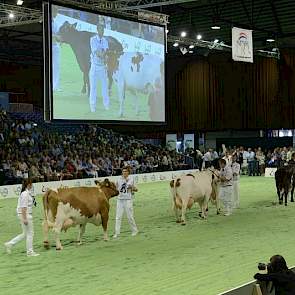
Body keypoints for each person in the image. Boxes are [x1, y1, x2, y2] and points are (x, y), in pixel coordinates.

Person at [4, 178, 40, 257]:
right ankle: (30, 252)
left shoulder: (26, 193)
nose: (32, 185)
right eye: (31, 184)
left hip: (24, 214)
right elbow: (23, 207)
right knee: (30, 233)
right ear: (29, 184)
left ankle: (10, 244)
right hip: (25, 214)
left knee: (25, 234)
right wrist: (24, 218)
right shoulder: (25, 194)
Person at [89, 18, 109, 112]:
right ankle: (92, 106)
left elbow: (105, 52)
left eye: (103, 29)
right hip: (94, 66)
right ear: (97, 29)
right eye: (101, 28)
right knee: (93, 87)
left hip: (102, 67)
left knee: (105, 86)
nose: (102, 30)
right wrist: (103, 55)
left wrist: (103, 54)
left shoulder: (105, 40)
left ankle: (106, 105)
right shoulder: (92, 39)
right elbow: (98, 53)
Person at [113, 166, 138, 238]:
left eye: (126, 171)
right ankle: (117, 233)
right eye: (123, 171)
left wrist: (131, 187)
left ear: (128, 172)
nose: (124, 173)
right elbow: (116, 188)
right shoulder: (118, 179)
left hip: (128, 200)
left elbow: (136, 189)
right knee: (118, 217)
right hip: (120, 200)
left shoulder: (131, 179)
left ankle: (134, 230)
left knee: (130, 216)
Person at [52, 6, 61, 92]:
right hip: (50, 46)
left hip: (55, 46)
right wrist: (56, 36)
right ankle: (52, 85)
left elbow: (58, 35)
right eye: (56, 12)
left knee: (56, 66)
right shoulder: (49, 22)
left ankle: (56, 85)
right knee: (51, 66)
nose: (57, 14)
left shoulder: (56, 23)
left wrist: (58, 37)